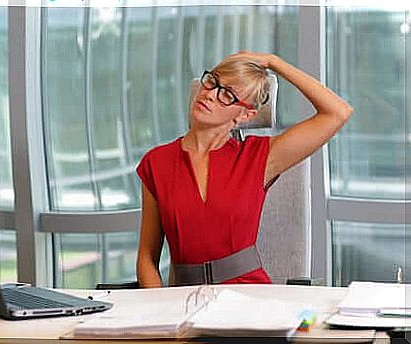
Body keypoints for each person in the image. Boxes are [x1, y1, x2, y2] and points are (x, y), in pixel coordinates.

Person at [135, 51, 353, 288]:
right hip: (182, 299)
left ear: (245, 114)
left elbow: (338, 112)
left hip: (249, 294)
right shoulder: (157, 162)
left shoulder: (260, 156)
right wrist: (158, 313)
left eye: (226, 95)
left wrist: (274, 62)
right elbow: (147, 257)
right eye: (211, 82)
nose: (209, 95)